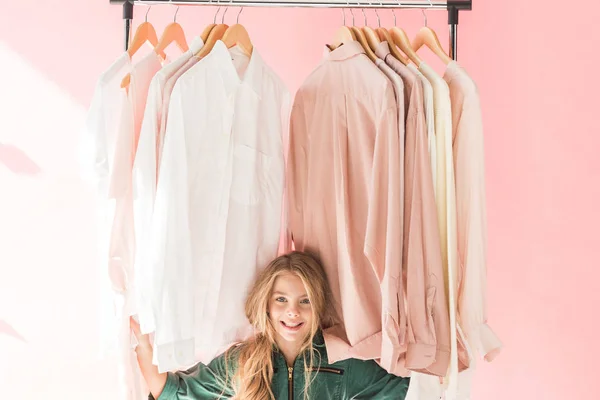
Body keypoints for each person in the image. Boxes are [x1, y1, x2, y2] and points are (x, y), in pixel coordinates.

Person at [131, 251, 410, 399]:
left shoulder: (341, 361)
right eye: (281, 299)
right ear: (266, 303)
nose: (292, 312)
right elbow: (176, 393)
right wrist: (144, 345)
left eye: (305, 301)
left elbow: (404, 389)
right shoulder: (242, 361)